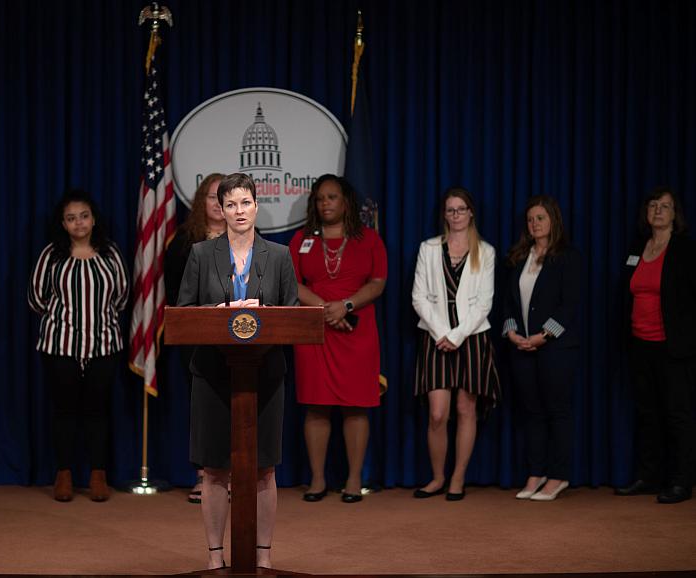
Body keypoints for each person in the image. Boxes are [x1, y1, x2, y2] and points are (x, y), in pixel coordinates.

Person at [177, 173, 298, 570]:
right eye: (230, 204)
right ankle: (215, 557)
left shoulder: (279, 256)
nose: (238, 211)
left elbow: (294, 316)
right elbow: (183, 315)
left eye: (245, 203)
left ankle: (262, 557)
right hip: (213, 373)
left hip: (264, 373)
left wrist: (265, 317)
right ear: (221, 210)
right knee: (213, 468)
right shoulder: (200, 254)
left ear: (257, 206)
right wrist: (215, 315)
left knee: (264, 469)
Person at [288, 175, 387, 503]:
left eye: (331, 197)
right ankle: (317, 480)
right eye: (319, 198)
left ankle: (354, 479)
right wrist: (325, 309)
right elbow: (292, 283)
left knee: (356, 407)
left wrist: (345, 306)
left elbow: (377, 283)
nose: (325, 203)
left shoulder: (369, 239)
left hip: (357, 329)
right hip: (314, 330)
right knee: (316, 406)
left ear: (346, 202)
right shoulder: (301, 239)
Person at [27, 190, 129, 502]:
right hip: (60, 346)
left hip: (104, 345)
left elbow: (122, 296)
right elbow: (36, 298)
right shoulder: (51, 255)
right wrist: (67, 322)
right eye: (71, 218)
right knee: (65, 411)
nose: (79, 223)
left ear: (94, 218)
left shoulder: (110, 253)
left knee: (98, 411)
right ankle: (64, 475)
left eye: (83, 216)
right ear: (63, 223)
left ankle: (98, 475)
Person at [411, 187, 500, 501]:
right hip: (436, 337)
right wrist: (442, 333)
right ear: (444, 214)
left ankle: (457, 479)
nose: (456, 215)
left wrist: (459, 334)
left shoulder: (485, 251)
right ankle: (437, 478)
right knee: (437, 413)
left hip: (472, 338)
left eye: (461, 209)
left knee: (466, 409)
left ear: (471, 212)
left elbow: (485, 302)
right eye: (450, 210)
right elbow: (418, 297)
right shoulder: (429, 248)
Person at [615, 186, 696, 504]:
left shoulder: (685, 250)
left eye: (665, 206)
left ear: (676, 215)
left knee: (677, 415)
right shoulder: (638, 248)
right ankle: (648, 477)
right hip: (640, 345)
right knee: (647, 414)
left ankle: (681, 482)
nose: (658, 211)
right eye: (653, 205)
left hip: (674, 349)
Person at [503, 195, 581, 501]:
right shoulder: (519, 257)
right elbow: (508, 303)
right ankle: (536, 473)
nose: (535, 224)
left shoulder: (568, 257)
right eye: (531, 219)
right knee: (531, 412)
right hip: (520, 347)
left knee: (557, 411)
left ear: (553, 221)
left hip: (556, 349)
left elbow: (569, 305)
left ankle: (558, 476)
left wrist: (543, 336)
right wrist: (511, 333)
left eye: (541, 218)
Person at [165, 173, 226, 504]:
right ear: (201, 201)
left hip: (240, 336)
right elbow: (175, 295)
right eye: (212, 196)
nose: (218, 204)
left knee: (236, 404)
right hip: (197, 338)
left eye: (224, 197)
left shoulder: (249, 237)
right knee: (203, 407)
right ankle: (204, 474)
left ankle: (232, 473)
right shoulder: (184, 241)